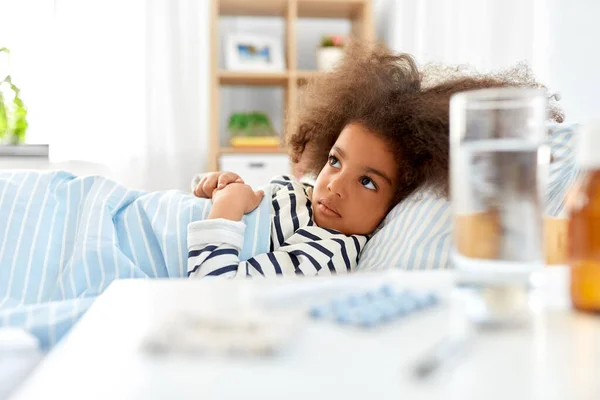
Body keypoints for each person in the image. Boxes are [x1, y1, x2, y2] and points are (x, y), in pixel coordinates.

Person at [188, 41, 563, 279]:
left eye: (368, 182)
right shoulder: (307, 193)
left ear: (395, 204)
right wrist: (212, 183)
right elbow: (211, 197)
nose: (334, 184)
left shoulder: (328, 250)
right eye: (335, 161)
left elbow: (216, 294)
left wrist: (226, 209)